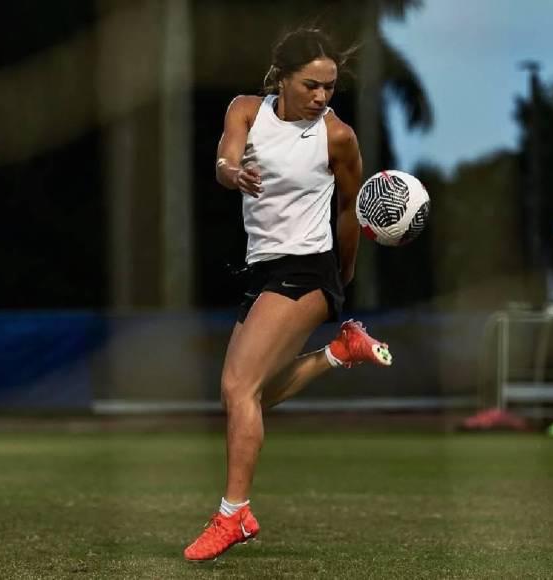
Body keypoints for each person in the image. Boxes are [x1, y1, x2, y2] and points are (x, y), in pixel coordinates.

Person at [183, 27, 392, 562]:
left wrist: (343, 278)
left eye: (329, 87)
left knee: (239, 386)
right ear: (282, 78)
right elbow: (225, 160)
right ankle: (339, 351)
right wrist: (233, 173)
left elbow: (350, 209)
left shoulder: (337, 136)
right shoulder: (246, 111)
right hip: (263, 268)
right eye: (310, 85)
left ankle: (233, 514)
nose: (321, 97)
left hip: (309, 268)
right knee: (243, 396)